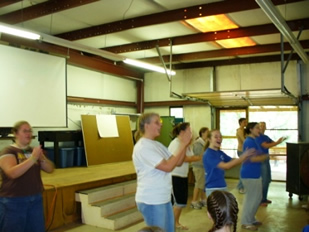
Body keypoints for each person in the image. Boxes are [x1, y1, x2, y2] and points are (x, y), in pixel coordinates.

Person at [132, 113, 192, 232]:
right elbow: (168, 166)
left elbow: (178, 162)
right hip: (152, 199)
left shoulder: (157, 145)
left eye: (160, 122)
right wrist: (183, 144)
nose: (160, 125)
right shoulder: (143, 147)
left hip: (163, 198)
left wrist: (184, 144)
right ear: (146, 125)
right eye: (157, 122)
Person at [0, 121, 55, 232]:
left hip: (35, 199)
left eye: (30, 131)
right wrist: (33, 158)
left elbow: (50, 169)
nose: (28, 134)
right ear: (15, 133)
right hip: (13, 201)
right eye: (25, 131)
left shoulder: (33, 151)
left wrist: (42, 158)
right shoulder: (8, 151)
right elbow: (12, 173)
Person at [168, 122, 201, 230]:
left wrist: (196, 157)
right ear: (182, 132)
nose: (191, 133)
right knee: (178, 203)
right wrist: (199, 157)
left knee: (181, 202)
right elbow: (181, 159)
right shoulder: (176, 143)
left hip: (183, 175)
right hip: (175, 175)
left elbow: (188, 157)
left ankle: (176, 222)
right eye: (189, 131)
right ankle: (170, 226)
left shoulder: (186, 144)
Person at [203, 129, 254, 197]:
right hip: (213, 188)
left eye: (220, 137)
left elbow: (232, 161)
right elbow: (226, 166)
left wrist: (247, 158)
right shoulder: (208, 154)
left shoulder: (219, 153)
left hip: (222, 186)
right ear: (209, 139)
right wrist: (243, 157)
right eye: (216, 137)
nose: (219, 138)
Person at [240, 122, 269, 231]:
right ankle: (246, 221)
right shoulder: (248, 141)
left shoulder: (254, 140)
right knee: (251, 199)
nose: (259, 130)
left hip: (255, 173)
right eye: (257, 128)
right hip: (249, 173)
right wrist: (264, 157)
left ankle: (251, 218)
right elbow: (250, 159)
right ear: (251, 129)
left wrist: (263, 156)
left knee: (257, 198)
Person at [256, 121, 285, 206]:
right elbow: (265, 145)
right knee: (264, 180)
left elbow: (272, 143)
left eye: (264, 126)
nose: (262, 127)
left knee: (267, 180)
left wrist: (279, 141)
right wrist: (277, 142)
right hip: (261, 160)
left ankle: (264, 198)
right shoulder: (258, 137)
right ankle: (260, 200)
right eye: (260, 126)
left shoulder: (265, 136)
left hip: (266, 159)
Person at [190, 127, 209, 210]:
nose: (209, 133)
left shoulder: (204, 143)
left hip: (203, 166)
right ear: (203, 133)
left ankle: (203, 199)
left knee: (202, 184)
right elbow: (197, 156)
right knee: (198, 184)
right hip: (198, 166)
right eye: (207, 132)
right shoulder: (198, 143)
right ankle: (194, 201)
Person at [236, 118, 247, 194]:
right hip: (241, 151)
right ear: (240, 123)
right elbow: (244, 140)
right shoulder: (240, 131)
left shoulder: (245, 130)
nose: (245, 123)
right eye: (244, 122)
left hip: (245, 151)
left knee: (245, 169)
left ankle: (242, 186)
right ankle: (240, 186)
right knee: (243, 169)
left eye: (246, 122)